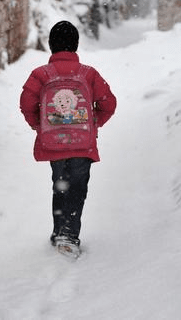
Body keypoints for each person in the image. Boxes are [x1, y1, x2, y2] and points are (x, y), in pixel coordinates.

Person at [20, 20, 116, 256]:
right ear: (76, 45)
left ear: (51, 46)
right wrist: (93, 125)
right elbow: (109, 104)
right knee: (77, 189)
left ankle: (58, 231)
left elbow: (26, 104)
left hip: (54, 143)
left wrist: (40, 126)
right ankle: (69, 235)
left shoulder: (41, 74)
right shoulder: (88, 74)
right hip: (82, 145)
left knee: (60, 186)